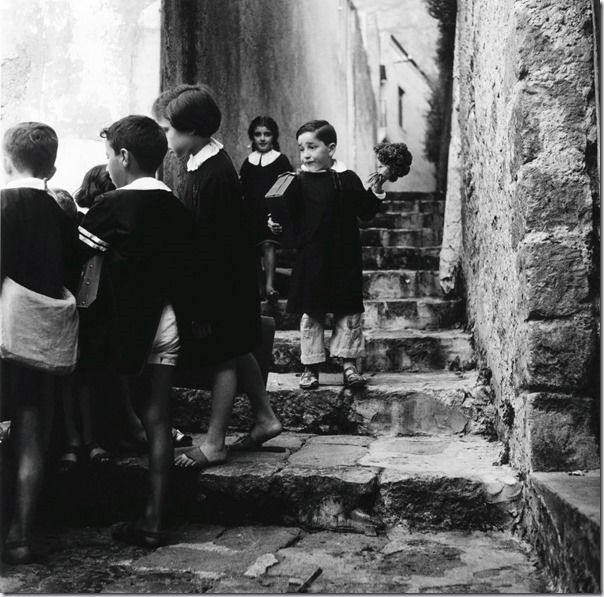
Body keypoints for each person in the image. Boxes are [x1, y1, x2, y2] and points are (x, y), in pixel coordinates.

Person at [78, 114, 198, 547]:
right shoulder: (176, 206)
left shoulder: (112, 205)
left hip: (128, 325)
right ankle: (153, 518)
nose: (108, 165)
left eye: (108, 155)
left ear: (123, 157)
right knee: (158, 418)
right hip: (168, 323)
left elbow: (81, 253)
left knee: (101, 387)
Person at [152, 84, 282, 469]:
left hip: (222, 283)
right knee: (239, 347)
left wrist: (202, 306)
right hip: (228, 277)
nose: (166, 138)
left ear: (191, 130)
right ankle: (265, 417)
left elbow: (211, 247)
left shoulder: (213, 174)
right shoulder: (204, 162)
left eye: (168, 130)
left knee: (223, 355)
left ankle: (215, 441)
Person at [1, 122, 80, 564]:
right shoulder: (60, 212)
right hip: (41, 338)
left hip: (4, 336)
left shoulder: (3, 204)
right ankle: (22, 535)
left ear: (7, 159)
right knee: (33, 437)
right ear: (51, 166)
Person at [269, 120, 391, 390]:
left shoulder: (346, 179)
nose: (306, 155)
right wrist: (275, 224)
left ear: (331, 148)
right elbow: (286, 218)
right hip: (310, 258)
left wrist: (379, 186)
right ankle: (310, 367)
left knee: (347, 312)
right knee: (311, 314)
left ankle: (348, 365)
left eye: (312, 147)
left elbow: (366, 211)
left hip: (344, 257)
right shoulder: (295, 182)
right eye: (302, 149)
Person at [239, 116, 293, 301]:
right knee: (252, 248)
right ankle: (258, 287)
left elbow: (288, 187)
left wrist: (279, 213)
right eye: (258, 134)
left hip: (271, 212)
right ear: (252, 137)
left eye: (267, 134)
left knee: (268, 244)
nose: (262, 138)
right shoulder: (248, 162)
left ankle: (270, 286)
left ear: (274, 137)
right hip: (251, 212)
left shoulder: (280, 160)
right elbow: (242, 189)